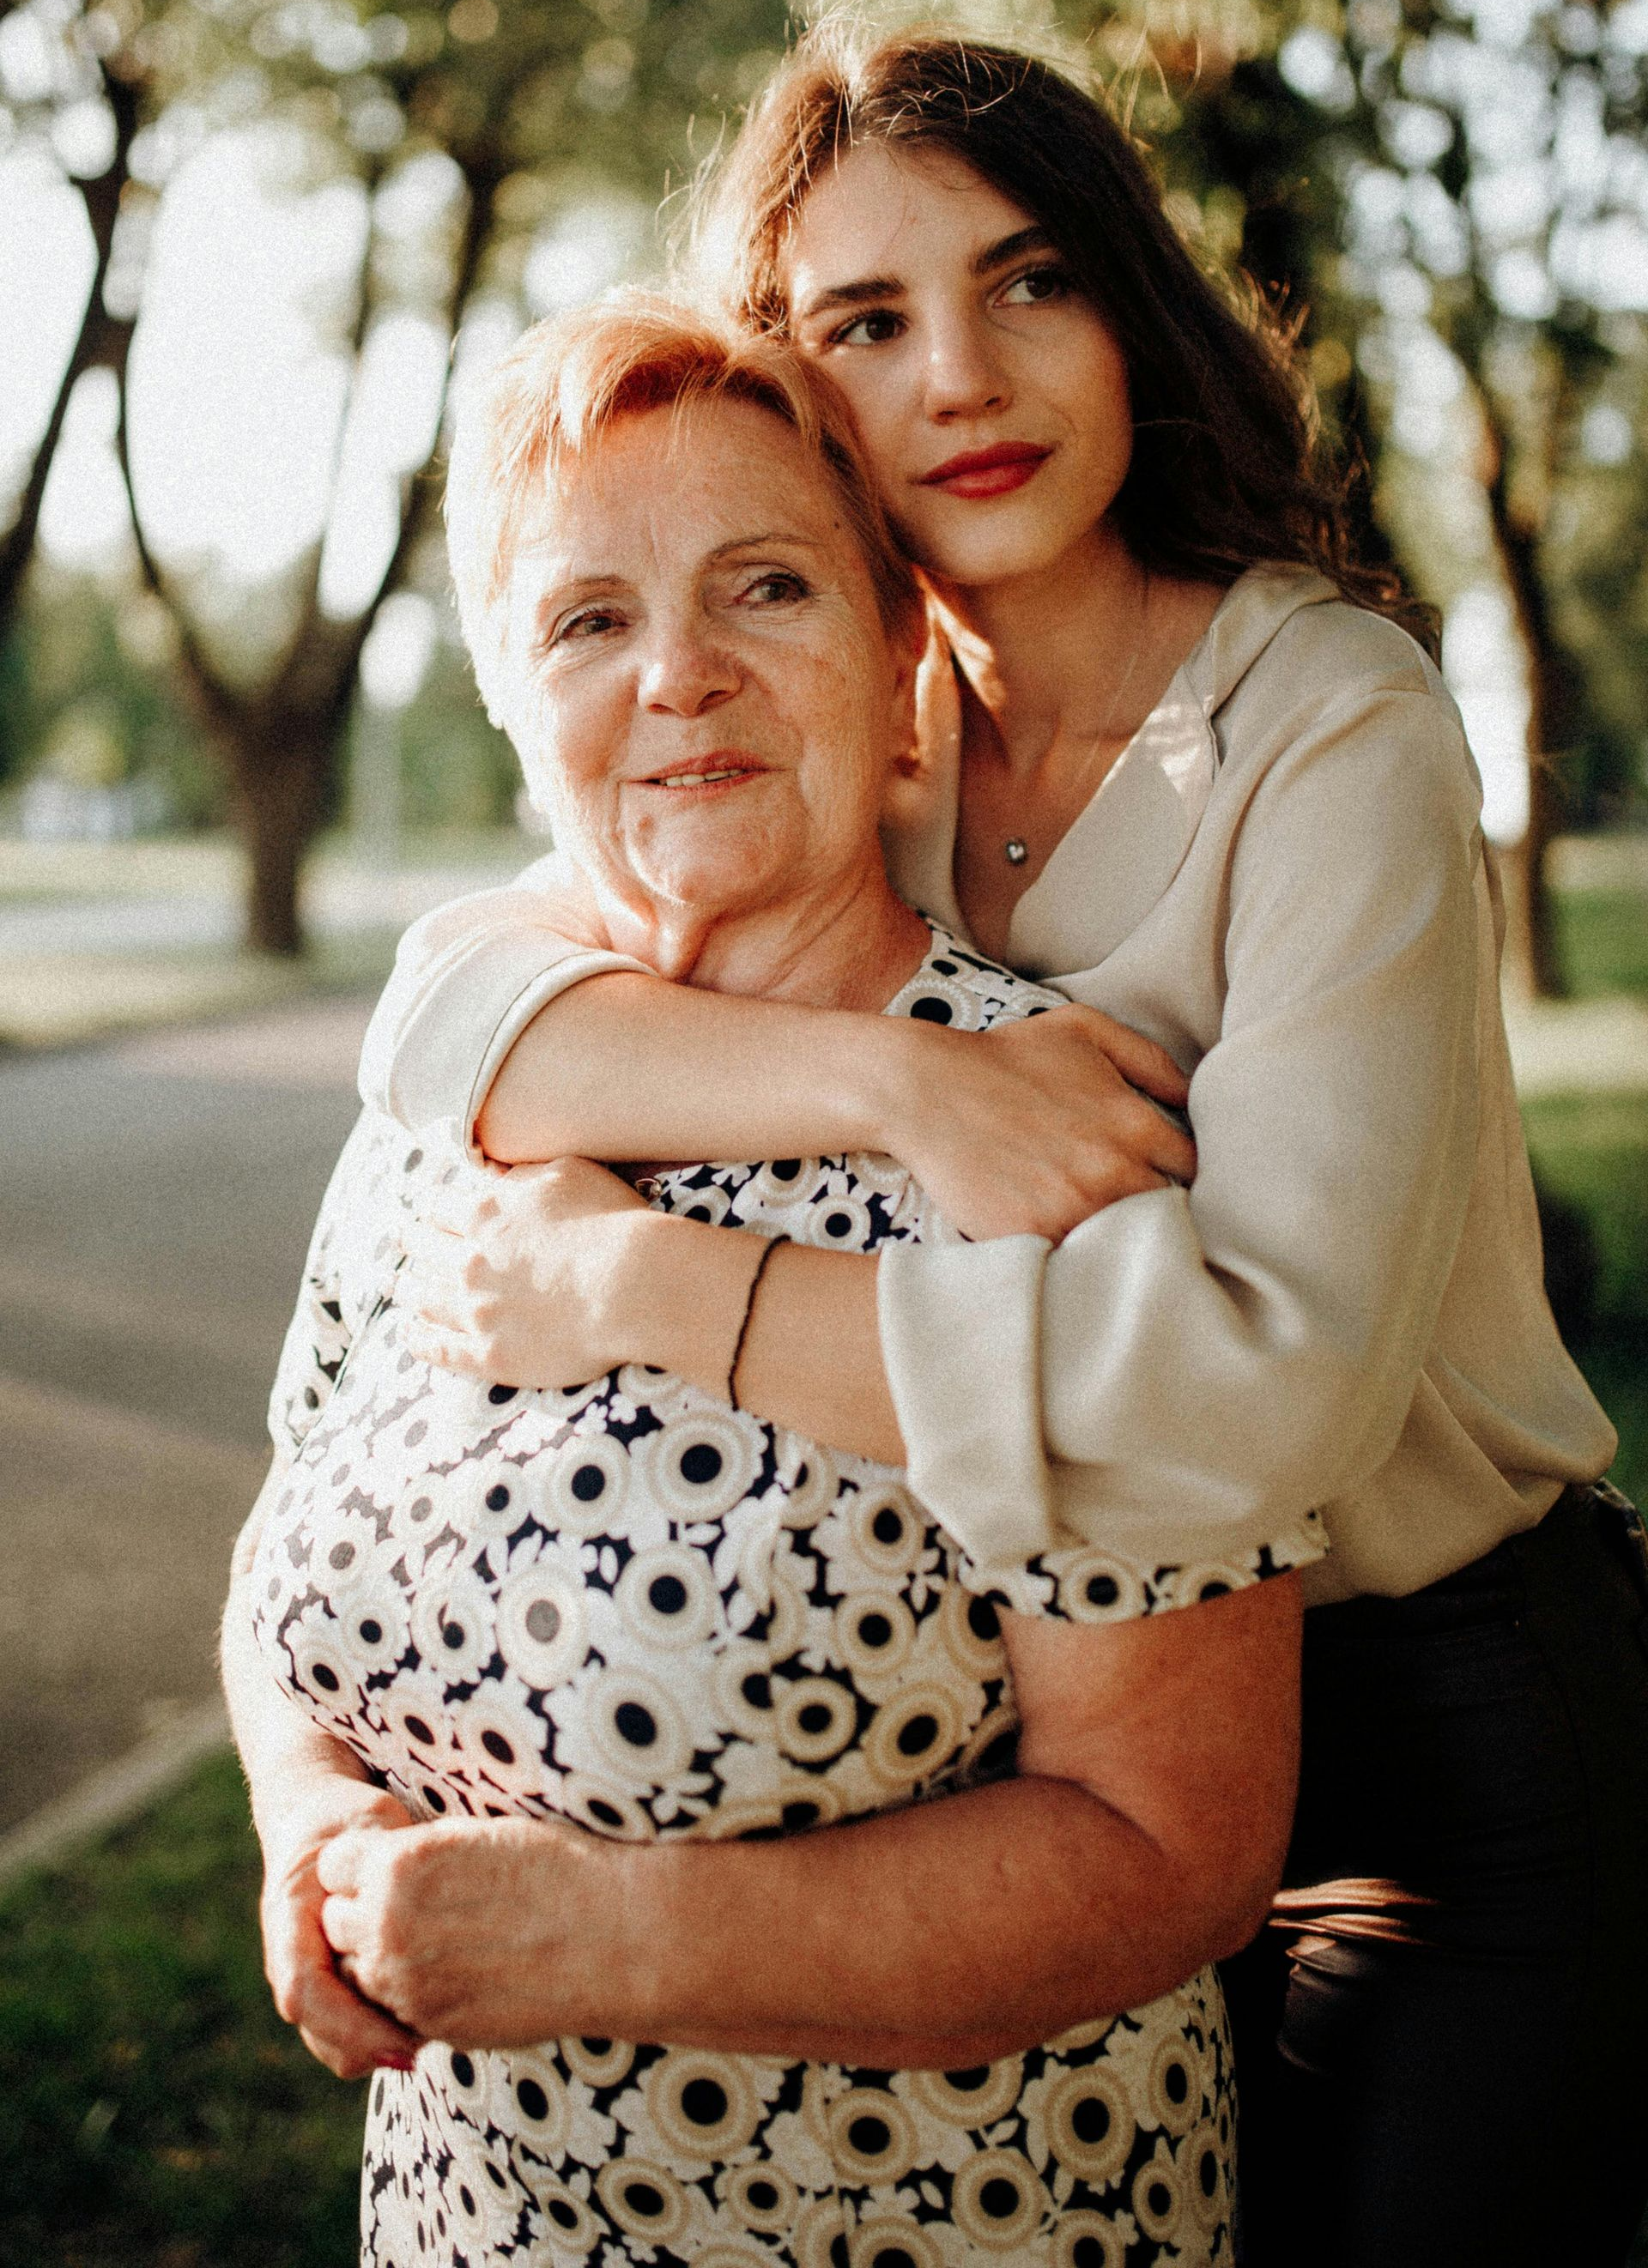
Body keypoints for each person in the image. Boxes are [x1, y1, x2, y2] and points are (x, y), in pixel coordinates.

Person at [354, 27, 1648, 2268]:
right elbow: (451, 1012)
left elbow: (1271, 1384)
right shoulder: (870, 718)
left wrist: (687, 1296)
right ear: (791, 389)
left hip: (1463, 1741)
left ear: (1127, 308)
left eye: (1027, 278)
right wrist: (893, 1083)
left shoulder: (1329, 723)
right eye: (862, 321)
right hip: (1098, 1739)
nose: (961, 372)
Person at [221, 297, 1312, 2268]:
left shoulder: (1043, 1142)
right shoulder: (457, 1103)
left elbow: (1179, 1847)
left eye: (767, 589)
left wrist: (594, 1937)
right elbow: (279, 1552)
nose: (681, 678)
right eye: (587, 622)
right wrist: (307, 1830)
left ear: (905, 649)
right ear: (503, 689)